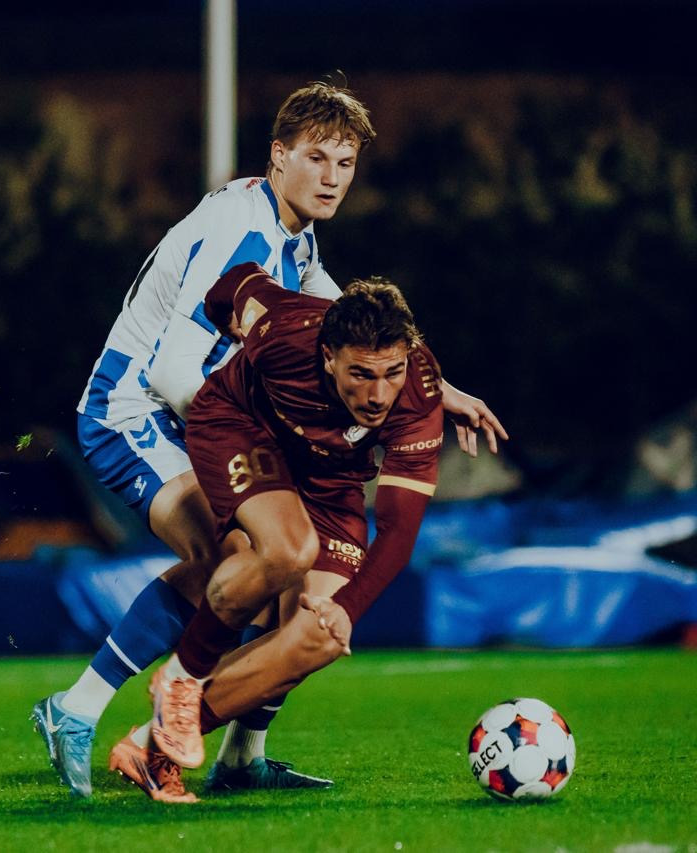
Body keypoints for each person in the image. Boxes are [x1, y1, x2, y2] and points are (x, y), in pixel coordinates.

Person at [32, 80, 505, 800]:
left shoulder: (291, 229)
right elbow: (172, 371)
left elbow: (344, 315)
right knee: (237, 559)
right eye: (316, 158)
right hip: (134, 411)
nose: (332, 177)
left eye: (345, 163)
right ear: (278, 156)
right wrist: (264, 454)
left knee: (289, 578)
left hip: (191, 412)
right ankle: (78, 707)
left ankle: (241, 756)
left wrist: (441, 386)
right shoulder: (240, 231)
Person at [118, 263, 450, 801]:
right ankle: (183, 674)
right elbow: (238, 281)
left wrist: (348, 610)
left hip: (333, 480)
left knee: (316, 636)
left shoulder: (418, 392)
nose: (378, 394)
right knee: (289, 549)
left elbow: (397, 527)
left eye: (391, 372)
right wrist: (221, 317)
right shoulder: (286, 331)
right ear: (328, 356)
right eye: (361, 374)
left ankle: (153, 745)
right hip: (237, 427)